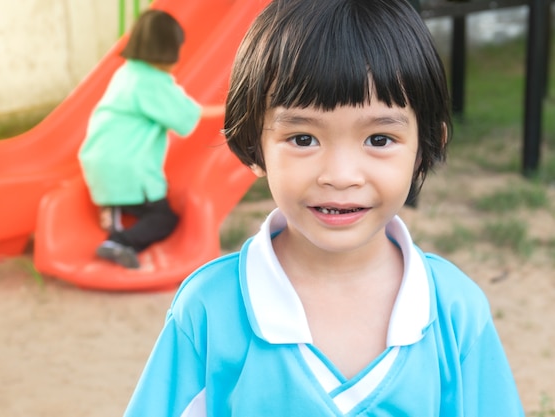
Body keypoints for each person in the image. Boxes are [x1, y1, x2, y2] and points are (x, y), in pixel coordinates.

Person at [124, 0, 525, 415]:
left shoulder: (455, 310)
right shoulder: (209, 309)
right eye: (303, 139)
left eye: (379, 140)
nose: (340, 175)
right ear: (253, 147)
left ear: (426, 146)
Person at [78, 9, 225, 269]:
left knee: (129, 196)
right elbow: (187, 114)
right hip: (128, 169)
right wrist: (228, 110)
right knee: (164, 217)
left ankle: (114, 208)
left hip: (97, 161)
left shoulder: (126, 73)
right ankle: (120, 241)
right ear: (167, 52)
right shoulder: (153, 82)